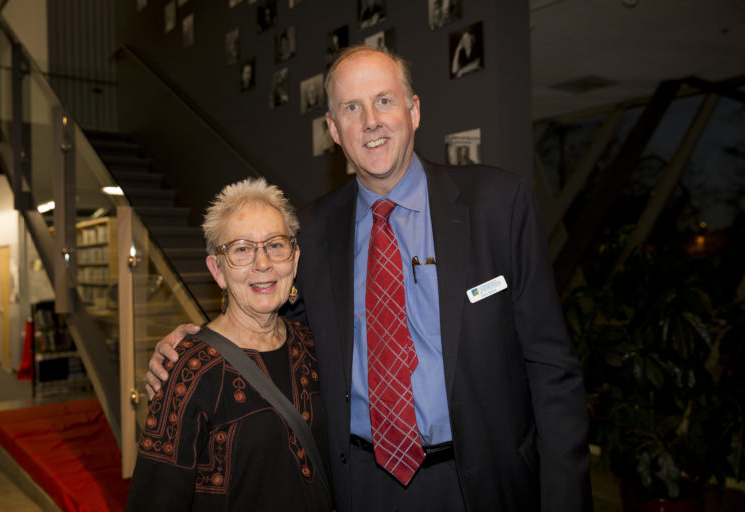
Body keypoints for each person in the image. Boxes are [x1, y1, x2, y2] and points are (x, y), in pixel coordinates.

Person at [148, 45, 592, 511]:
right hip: (359, 487)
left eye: (384, 100)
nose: (371, 121)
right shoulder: (310, 234)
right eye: (351, 109)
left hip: (484, 485)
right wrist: (196, 348)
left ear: (414, 110)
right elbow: (268, 324)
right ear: (335, 131)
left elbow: (552, 369)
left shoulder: (498, 206)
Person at [127, 178, 331, 512]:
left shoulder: (313, 346)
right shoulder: (188, 369)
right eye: (241, 249)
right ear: (217, 270)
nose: (262, 263)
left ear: (294, 259)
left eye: (275, 245)